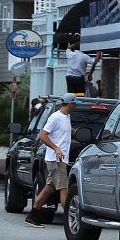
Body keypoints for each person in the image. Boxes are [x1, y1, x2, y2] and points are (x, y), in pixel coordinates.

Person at [26, 93, 79, 227]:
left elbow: (65, 131)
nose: (75, 106)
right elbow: (43, 136)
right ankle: (69, 220)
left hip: (61, 159)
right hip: (56, 160)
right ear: (70, 103)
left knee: (49, 188)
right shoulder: (55, 117)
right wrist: (56, 148)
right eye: (75, 104)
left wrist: (77, 132)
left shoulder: (66, 117)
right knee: (64, 188)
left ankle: (32, 216)